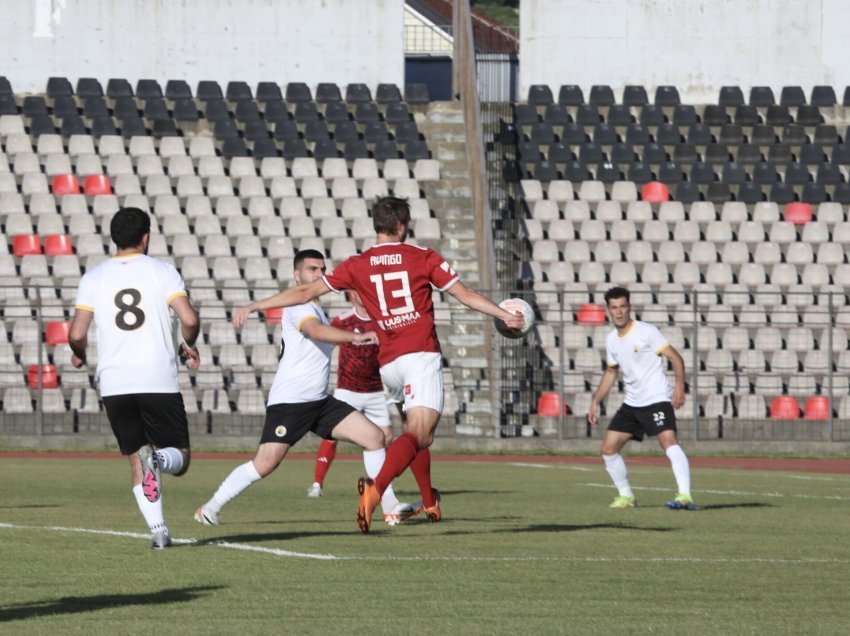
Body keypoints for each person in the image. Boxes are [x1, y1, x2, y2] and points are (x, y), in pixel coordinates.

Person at [232, 196, 525, 532]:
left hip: (388, 363)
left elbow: (303, 293)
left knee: (414, 436)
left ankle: (429, 501)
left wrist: (257, 305)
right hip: (419, 354)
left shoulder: (357, 264)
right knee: (420, 433)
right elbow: (465, 294)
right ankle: (376, 487)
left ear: (377, 225)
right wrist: (505, 315)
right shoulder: (422, 257)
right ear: (402, 225)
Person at [194, 250, 405, 526]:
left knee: (375, 437)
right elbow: (315, 332)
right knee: (265, 464)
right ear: (297, 275)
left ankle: (391, 508)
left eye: (322, 269)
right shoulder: (301, 307)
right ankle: (210, 508)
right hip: (291, 402)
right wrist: (358, 337)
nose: (319, 275)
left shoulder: (313, 306)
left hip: (318, 401)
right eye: (312, 269)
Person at [68, 207, 201, 549]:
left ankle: (158, 531)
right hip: (157, 378)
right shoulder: (162, 271)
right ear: (146, 238)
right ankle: (159, 462)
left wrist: (80, 354)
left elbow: (77, 332)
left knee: (137, 456)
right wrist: (189, 342)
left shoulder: (93, 278)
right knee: (180, 458)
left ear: (114, 237)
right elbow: (188, 318)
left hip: (115, 384)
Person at [306, 290, 417, 525]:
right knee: (331, 435)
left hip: (375, 390)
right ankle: (318, 484)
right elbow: (328, 343)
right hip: (347, 389)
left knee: (385, 437)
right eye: (357, 291)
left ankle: (381, 486)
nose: (362, 295)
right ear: (351, 296)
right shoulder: (343, 320)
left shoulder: (381, 322)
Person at [586, 286, 697, 510]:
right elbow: (611, 372)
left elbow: (676, 358)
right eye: (614, 307)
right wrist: (596, 401)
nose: (618, 312)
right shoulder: (611, 340)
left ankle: (685, 496)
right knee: (608, 449)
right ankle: (626, 497)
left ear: (629, 308)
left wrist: (679, 388)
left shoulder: (646, 331)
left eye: (622, 307)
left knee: (668, 441)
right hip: (632, 403)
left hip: (656, 398)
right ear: (608, 310)